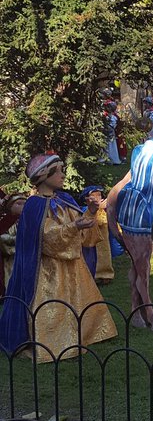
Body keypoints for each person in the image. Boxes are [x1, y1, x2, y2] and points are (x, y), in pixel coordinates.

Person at [0, 154, 117, 361]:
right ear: (45, 175)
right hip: (48, 272)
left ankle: (86, 333)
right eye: (59, 171)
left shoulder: (65, 201)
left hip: (74, 268)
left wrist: (89, 214)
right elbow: (47, 239)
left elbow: (82, 236)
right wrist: (74, 226)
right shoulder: (33, 206)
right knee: (54, 308)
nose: (63, 175)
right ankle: (56, 340)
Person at [78, 186, 115, 285]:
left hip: (104, 239)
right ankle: (92, 275)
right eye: (93, 196)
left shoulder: (104, 210)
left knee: (105, 256)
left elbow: (106, 221)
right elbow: (90, 219)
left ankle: (106, 275)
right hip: (90, 240)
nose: (97, 197)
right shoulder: (85, 210)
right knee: (91, 257)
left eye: (98, 195)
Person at [0, 191, 26, 295]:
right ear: (10, 206)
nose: (22, 207)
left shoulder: (27, 220)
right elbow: (2, 238)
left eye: (25, 204)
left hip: (24, 256)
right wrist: (18, 239)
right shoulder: (6, 221)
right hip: (9, 259)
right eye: (18, 204)